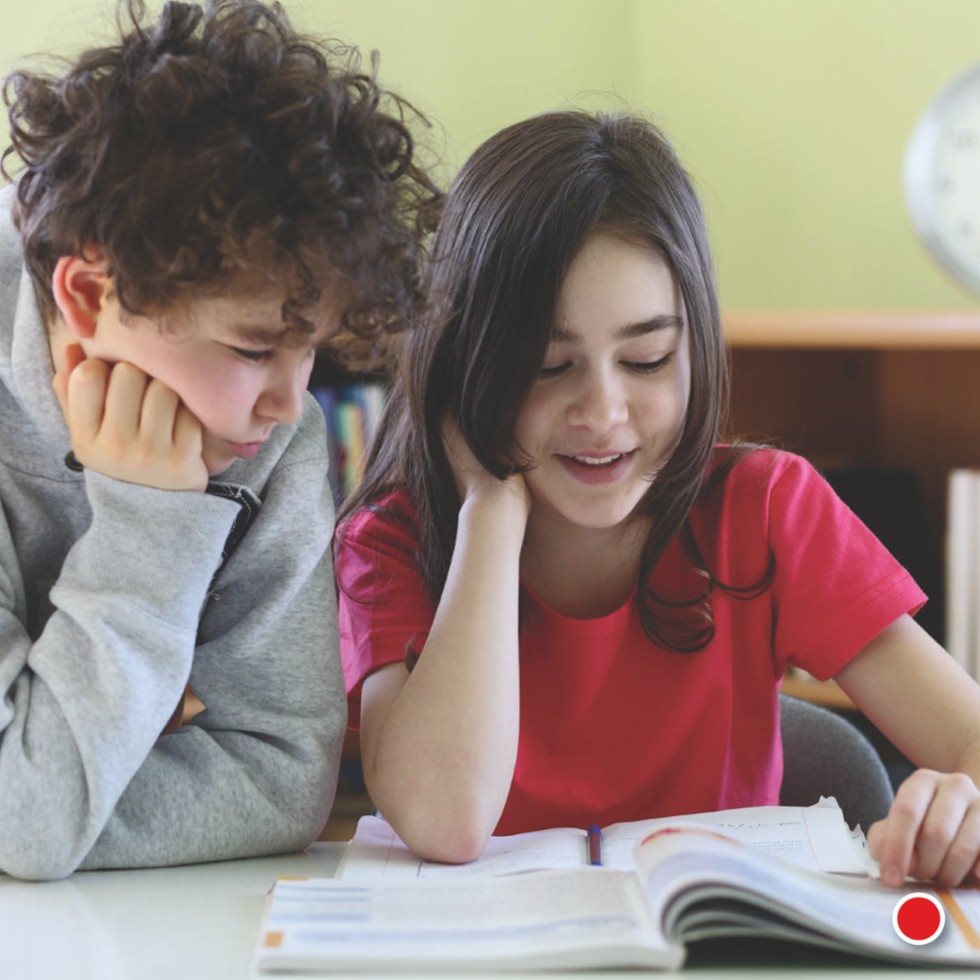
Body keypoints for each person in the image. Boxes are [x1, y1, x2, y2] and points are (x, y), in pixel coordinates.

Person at [336, 109, 980, 889]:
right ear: (467, 360)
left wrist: (959, 812)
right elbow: (445, 820)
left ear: (694, 346)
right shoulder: (392, 541)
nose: (604, 412)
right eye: (547, 365)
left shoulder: (765, 508)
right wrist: (490, 521)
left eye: (646, 359)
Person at [0, 0, 440, 880]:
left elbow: (282, 776)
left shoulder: (267, 437)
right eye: (251, 348)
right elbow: (26, 817)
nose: (290, 402)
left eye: (308, 347)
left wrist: (44, 785)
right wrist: (149, 535)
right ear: (88, 298)